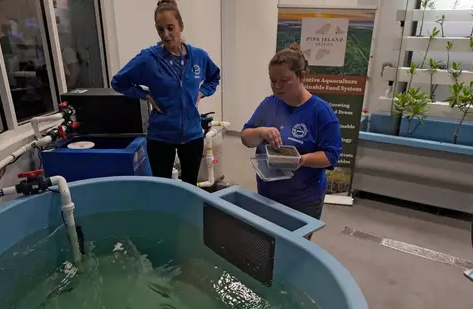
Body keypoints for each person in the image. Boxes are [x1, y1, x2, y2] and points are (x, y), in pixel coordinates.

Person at [111, 0, 221, 185]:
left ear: (181, 27)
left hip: (193, 134)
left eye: (170, 28)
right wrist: (144, 95)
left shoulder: (198, 57)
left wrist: (202, 92)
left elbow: (214, 77)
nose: (166, 35)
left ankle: (187, 214)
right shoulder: (149, 59)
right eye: (160, 30)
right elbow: (118, 82)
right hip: (161, 136)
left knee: (189, 186)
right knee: (162, 187)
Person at [241, 45, 342, 220]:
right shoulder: (269, 104)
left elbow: (331, 156)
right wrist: (261, 132)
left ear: (302, 77)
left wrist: (301, 160)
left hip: (303, 199)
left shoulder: (320, 111)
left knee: (295, 244)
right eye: (273, 81)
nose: (277, 86)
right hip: (268, 194)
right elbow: (246, 138)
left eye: (284, 80)